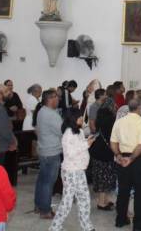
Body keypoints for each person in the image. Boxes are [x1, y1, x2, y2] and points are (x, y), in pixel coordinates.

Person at [110, 98, 141, 230]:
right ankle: (139, 224)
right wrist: (132, 158)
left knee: (123, 190)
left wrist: (118, 156)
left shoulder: (119, 122)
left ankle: (121, 219)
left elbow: (113, 142)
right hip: (138, 159)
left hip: (122, 158)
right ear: (140, 108)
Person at [49, 108, 95, 231]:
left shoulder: (78, 131)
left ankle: (87, 226)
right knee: (67, 202)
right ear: (73, 119)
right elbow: (70, 153)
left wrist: (87, 140)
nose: (82, 118)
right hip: (71, 172)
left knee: (84, 199)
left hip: (79, 170)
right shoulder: (68, 134)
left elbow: (78, 146)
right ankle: (55, 227)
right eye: (80, 117)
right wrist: (86, 144)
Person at [33, 89, 62, 219]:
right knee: (48, 182)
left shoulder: (42, 111)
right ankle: (45, 210)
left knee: (42, 180)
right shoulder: (51, 115)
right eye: (56, 97)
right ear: (50, 99)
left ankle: (39, 205)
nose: (58, 99)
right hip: (51, 152)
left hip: (44, 150)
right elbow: (62, 131)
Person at [90, 106, 116, 211]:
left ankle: (105, 200)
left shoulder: (99, 124)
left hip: (97, 153)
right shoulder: (111, 123)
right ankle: (101, 203)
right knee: (106, 179)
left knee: (101, 178)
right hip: (107, 155)